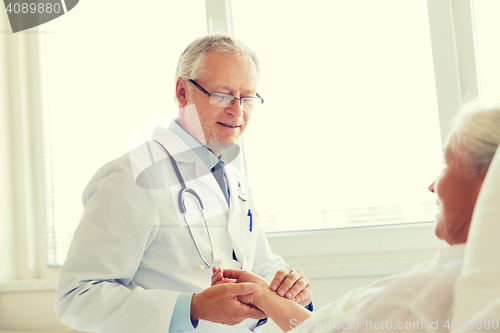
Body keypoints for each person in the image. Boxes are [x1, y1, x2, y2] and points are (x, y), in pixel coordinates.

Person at [55, 34, 312, 333]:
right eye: (222, 95)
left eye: (247, 98)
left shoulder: (233, 177)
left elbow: (257, 263)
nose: (238, 111)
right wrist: (194, 307)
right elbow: (77, 298)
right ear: (182, 92)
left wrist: (287, 285)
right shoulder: (131, 176)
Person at [211, 103, 500, 332]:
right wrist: (263, 295)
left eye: (447, 165)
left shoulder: (425, 295)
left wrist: (263, 296)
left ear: (487, 181)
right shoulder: (473, 276)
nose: (433, 185)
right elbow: (324, 328)